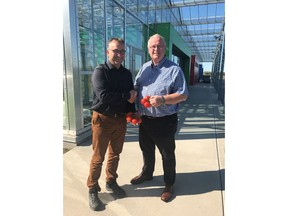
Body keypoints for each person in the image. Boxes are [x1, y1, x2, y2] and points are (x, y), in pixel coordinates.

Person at [130, 34, 189, 202]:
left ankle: (169, 184)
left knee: (167, 154)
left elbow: (183, 94)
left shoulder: (174, 69)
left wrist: (163, 99)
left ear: (165, 48)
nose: (156, 49)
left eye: (159, 46)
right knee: (146, 149)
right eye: (153, 47)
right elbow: (137, 85)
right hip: (145, 119)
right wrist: (134, 93)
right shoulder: (144, 68)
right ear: (148, 49)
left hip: (165, 120)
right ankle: (147, 174)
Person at [87, 37, 137, 211]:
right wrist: (126, 96)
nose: (119, 54)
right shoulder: (100, 71)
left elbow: (131, 96)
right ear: (107, 52)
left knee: (115, 154)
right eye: (115, 50)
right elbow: (104, 96)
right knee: (98, 157)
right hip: (102, 119)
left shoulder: (127, 74)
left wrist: (133, 111)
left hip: (120, 119)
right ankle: (93, 188)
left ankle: (111, 181)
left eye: (122, 51)